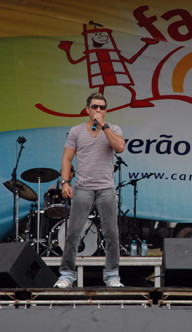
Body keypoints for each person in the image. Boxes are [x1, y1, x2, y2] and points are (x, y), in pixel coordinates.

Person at [53, 92, 126, 288]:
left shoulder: (113, 128)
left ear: (106, 110)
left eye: (102, 107)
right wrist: (65, 182)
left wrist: (104, 126)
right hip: (83, 188)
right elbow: (67, 159)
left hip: (106, 188)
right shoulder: (76, 131)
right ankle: (67, 274)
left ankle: (112, 275)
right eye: (95, 107)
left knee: (112, 233)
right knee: (74, 232)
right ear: (87, 110)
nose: (98, 110)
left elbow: (120, 147)